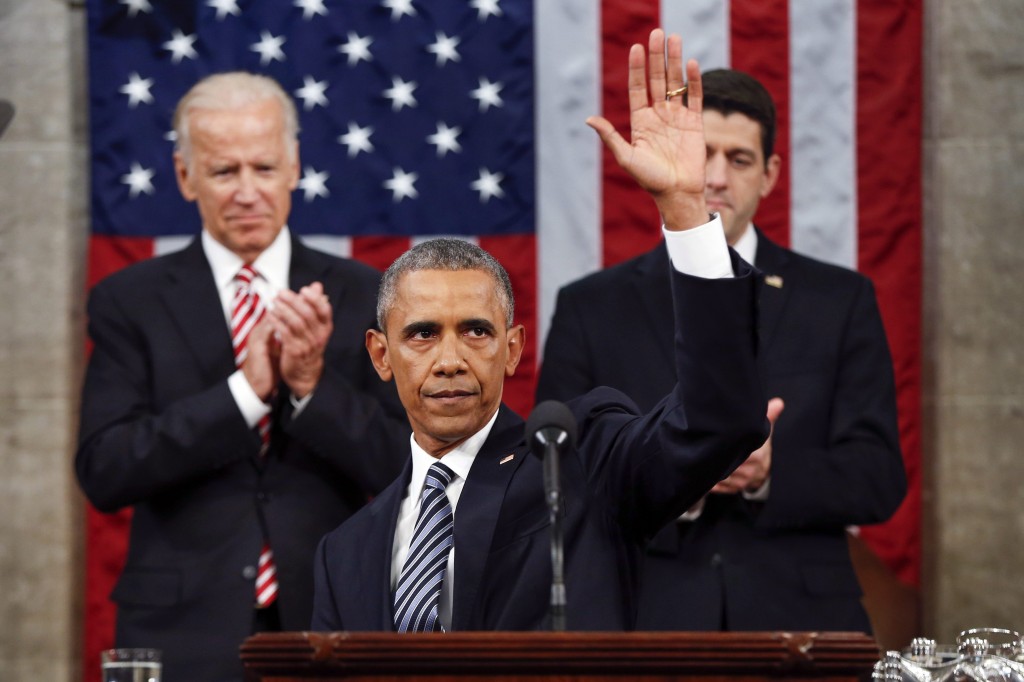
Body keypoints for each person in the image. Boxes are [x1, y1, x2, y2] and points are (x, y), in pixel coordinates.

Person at [311, 29, 768, 632]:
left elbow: (719, 421)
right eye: (422, 334)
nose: (450, 359)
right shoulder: (344, 551)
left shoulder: (583, 471)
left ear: (513, 348)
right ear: (380, 354)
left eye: (475, 331)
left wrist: (684, 209)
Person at [536, 68, 907, 631]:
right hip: (645, 614)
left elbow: (878, 477)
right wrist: (680, 472)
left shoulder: (839, 299)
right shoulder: (592, 306)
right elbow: (557, 475)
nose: (712, 177)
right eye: (701, 153)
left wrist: (768, 471)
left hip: (802, 621)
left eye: (738, 159)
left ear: (769, 175)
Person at [75, 72, 409, 681]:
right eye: (225, 172)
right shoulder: (129, 299)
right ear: (185, 177)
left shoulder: (366, 295)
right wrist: (244, 394)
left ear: (294, 167)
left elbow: (405, 469)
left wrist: (311, 389)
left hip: (331, 619)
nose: (247, 192)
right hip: (181, 633)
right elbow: (105, 469)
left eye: (263, 167)